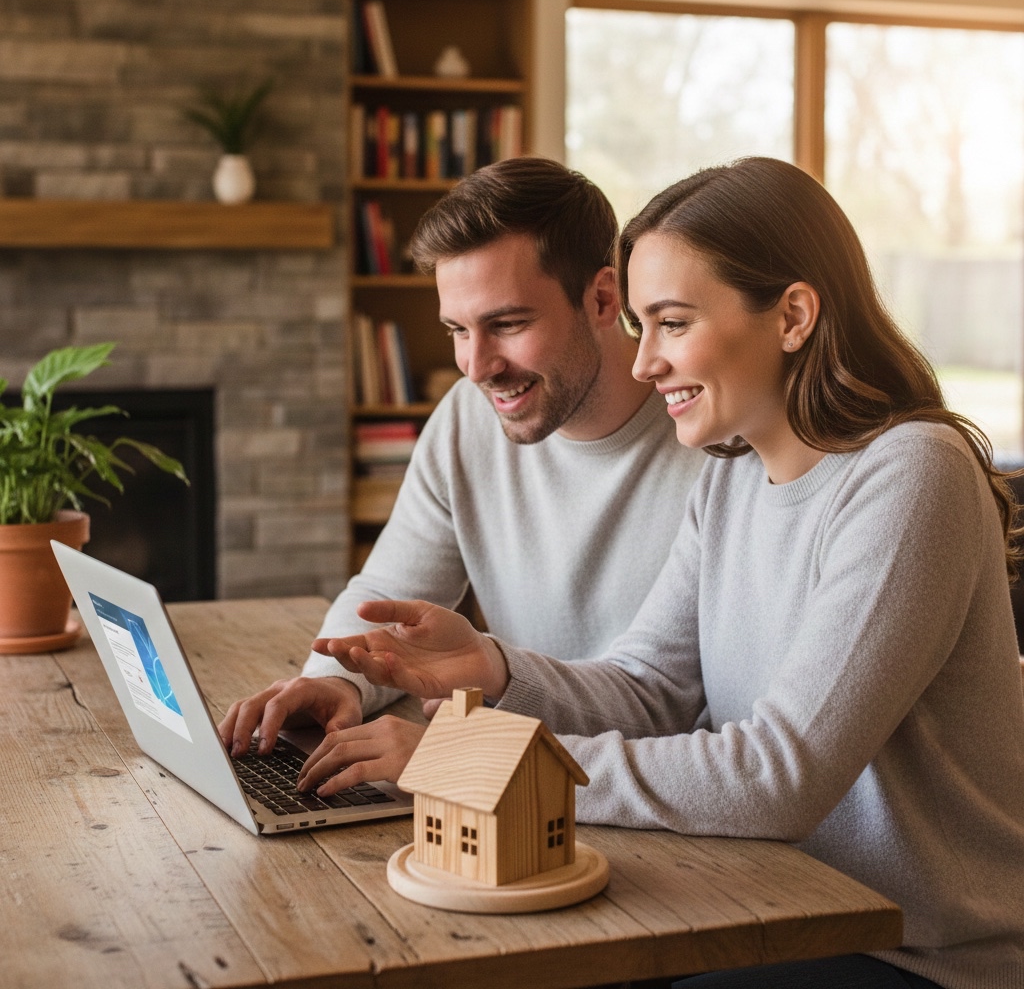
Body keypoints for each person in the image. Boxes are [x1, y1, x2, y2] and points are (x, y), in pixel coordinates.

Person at [312, 158, 1024, 989]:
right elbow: (650, 686)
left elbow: (778, 776)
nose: (645, 363)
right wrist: (494, 668)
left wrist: (459, 760)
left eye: (673, 323)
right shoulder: (731, 473)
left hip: (909, 951)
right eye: (643, 326)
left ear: (793, 315)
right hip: (764, 905)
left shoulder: (910, 475)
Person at [217, 156, 706, 784]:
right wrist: (337, 682)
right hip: (507, 780)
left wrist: (464, 749)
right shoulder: (467, 419)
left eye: (507, 324)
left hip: (640, 801)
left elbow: (664, 705)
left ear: (604, 299)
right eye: (457, 330)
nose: (476, 366)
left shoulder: (708, 443)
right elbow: (386, 593)